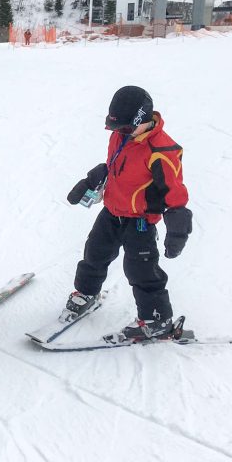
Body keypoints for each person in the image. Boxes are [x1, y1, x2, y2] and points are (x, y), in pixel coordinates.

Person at [63, 86, 192, 341]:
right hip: (112, 211)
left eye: (124, 128)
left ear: (142, 120)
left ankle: (156, 319)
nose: (119, 133)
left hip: (140, 221)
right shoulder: (122, 136)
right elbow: (113, 166)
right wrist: (91, 181)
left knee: (140, 269)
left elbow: (175, 192)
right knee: (94, 254)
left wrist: (178, 229)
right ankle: (87, 293)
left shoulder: (161, 151)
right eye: (116, 128)